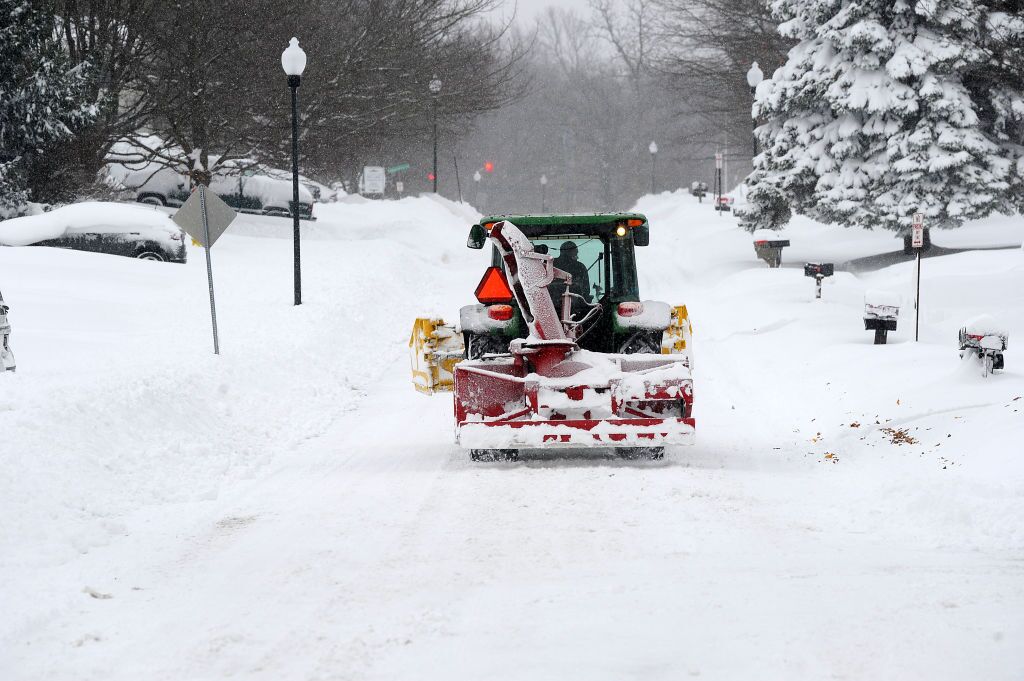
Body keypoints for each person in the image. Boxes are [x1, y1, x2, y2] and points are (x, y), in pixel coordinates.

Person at [551, 241, 592, 315]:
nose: (577, 256)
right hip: (576, 311)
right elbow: (586, 290)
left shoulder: (550, 265)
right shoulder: (580, 267)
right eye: (575, 253)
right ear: (570, 252)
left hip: (550, 309)